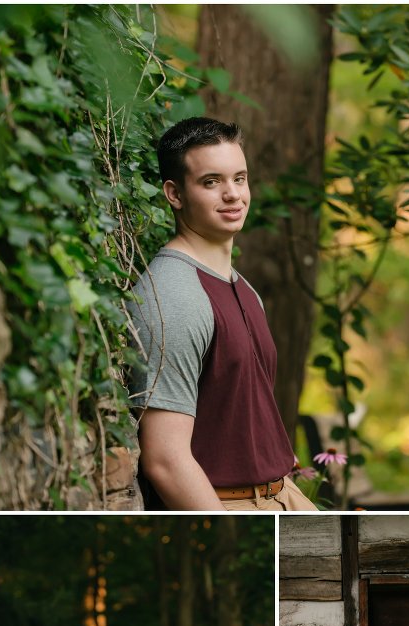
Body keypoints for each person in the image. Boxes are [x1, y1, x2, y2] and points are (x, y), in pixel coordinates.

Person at [129, 116, 318, 514]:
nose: (233, 194)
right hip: (227, 506)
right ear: (175, 194)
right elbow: (165, 460)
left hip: (282, 496)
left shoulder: (243, 289)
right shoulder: (174, 297)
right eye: (211, 182)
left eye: (240, 178)